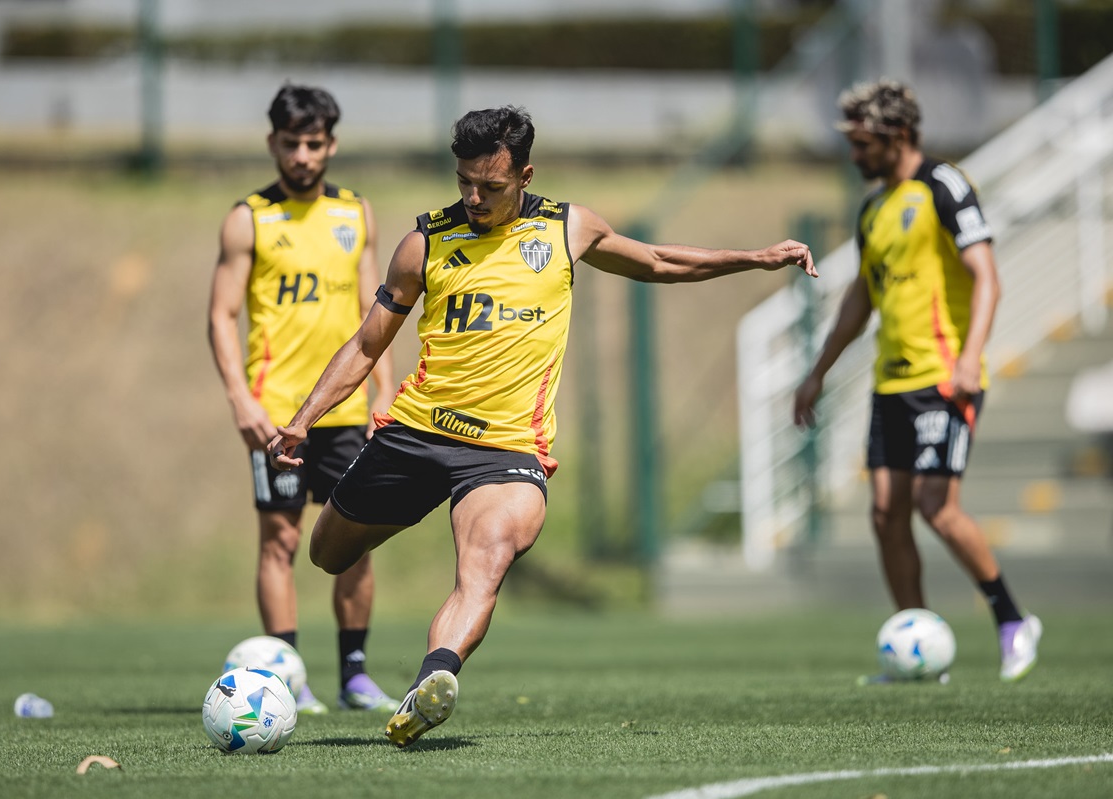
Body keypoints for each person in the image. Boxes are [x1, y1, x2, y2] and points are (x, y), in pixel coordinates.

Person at [266, 105, 818, 746]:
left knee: (487, 558)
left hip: (503, 449)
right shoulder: (423, 244)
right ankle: (414, 645)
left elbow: (660, 261)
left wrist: (753, 258)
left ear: (525, 174)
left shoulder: (567, 229)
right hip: (414, 433)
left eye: (490, 186)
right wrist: (304, 420)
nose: (473, 198)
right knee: (327, 553)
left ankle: (434, 679)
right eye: (463, 182)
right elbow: (366, 345)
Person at [792, 79, 1042, 683]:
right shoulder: (874, 207)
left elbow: (987, 277)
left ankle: (1013, 619)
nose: (854, 155)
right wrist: (818, 372)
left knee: (936, 506)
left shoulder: (944, 186)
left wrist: (968, 357)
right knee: (885, 513)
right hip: (891, 383)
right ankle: (917, 644)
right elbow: (861, 298)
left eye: (862, 142)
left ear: (897, 135)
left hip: (944, 378)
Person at [207, 84, 398, 714]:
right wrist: (241, 399)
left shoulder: (356, 215)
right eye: (291, 143)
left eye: (314, 144)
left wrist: (386, 389)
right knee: (280, 543)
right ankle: (284, 679)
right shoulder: (248, 219)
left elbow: (382, 314)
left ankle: (355, 676)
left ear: (331, 145)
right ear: (273, 144)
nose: (303, 155)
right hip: (279, 416)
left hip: (345, 409)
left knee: (353, 538)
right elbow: (220, 316)